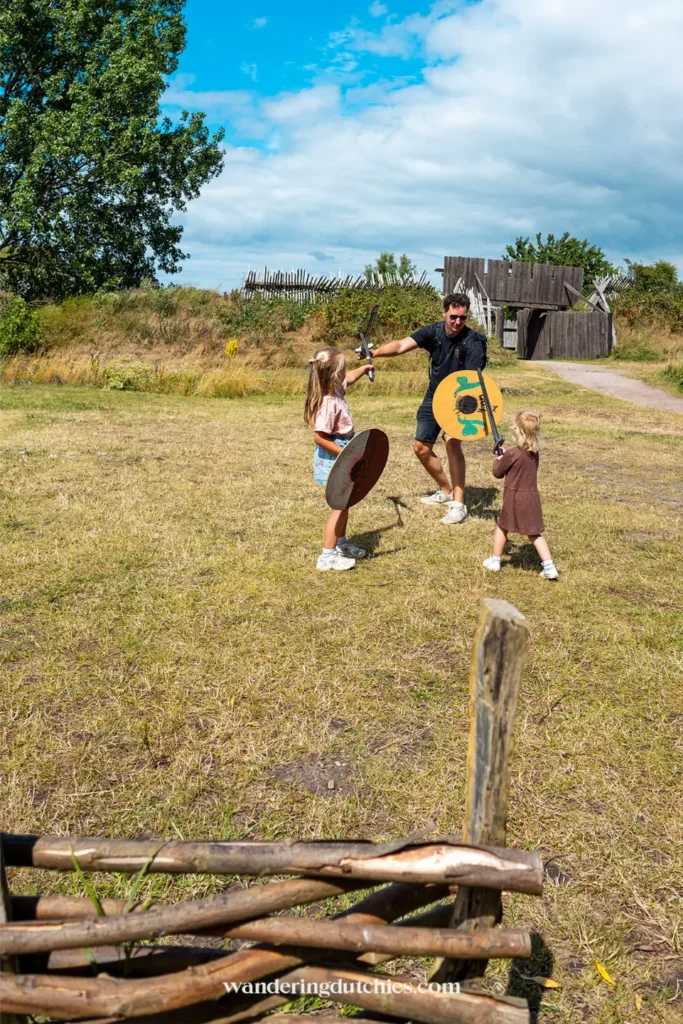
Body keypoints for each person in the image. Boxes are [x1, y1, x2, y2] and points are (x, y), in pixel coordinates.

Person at [371, 292, 486, 524]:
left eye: (462, 318)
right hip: (435, 396)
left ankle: (459, 504)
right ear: (444, 313)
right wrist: (373, 353)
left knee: (452, 441)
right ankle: (446, 490)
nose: (457, 322)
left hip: (462, 399)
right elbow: (402, 345)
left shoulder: (473, 342)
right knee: (421, 448)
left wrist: (463, 410)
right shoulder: (433, 332)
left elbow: (473, 380)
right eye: (453, 316)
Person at [304, 346, 374, 571]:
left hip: (344, 453)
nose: (346, 373)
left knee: (346, 503)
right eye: (343, 369)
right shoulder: (329, 404)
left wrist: (364, 368)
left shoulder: (336, 388)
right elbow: (319, 437)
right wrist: (346, 454)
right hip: (337, 455)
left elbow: (350, 379)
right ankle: (327, 556)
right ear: (334, 375)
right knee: (339, 506)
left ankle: (341, 544)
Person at [482, 410, 559, 580]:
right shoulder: (534, 452)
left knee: (503, 526)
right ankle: (549, 566)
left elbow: (498, 473)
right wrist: (505, 456)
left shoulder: (512, 453)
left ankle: (495, 560)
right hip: (531, 498)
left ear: (517, 431)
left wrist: (498, 460)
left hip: (514, 497)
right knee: (534, 533)